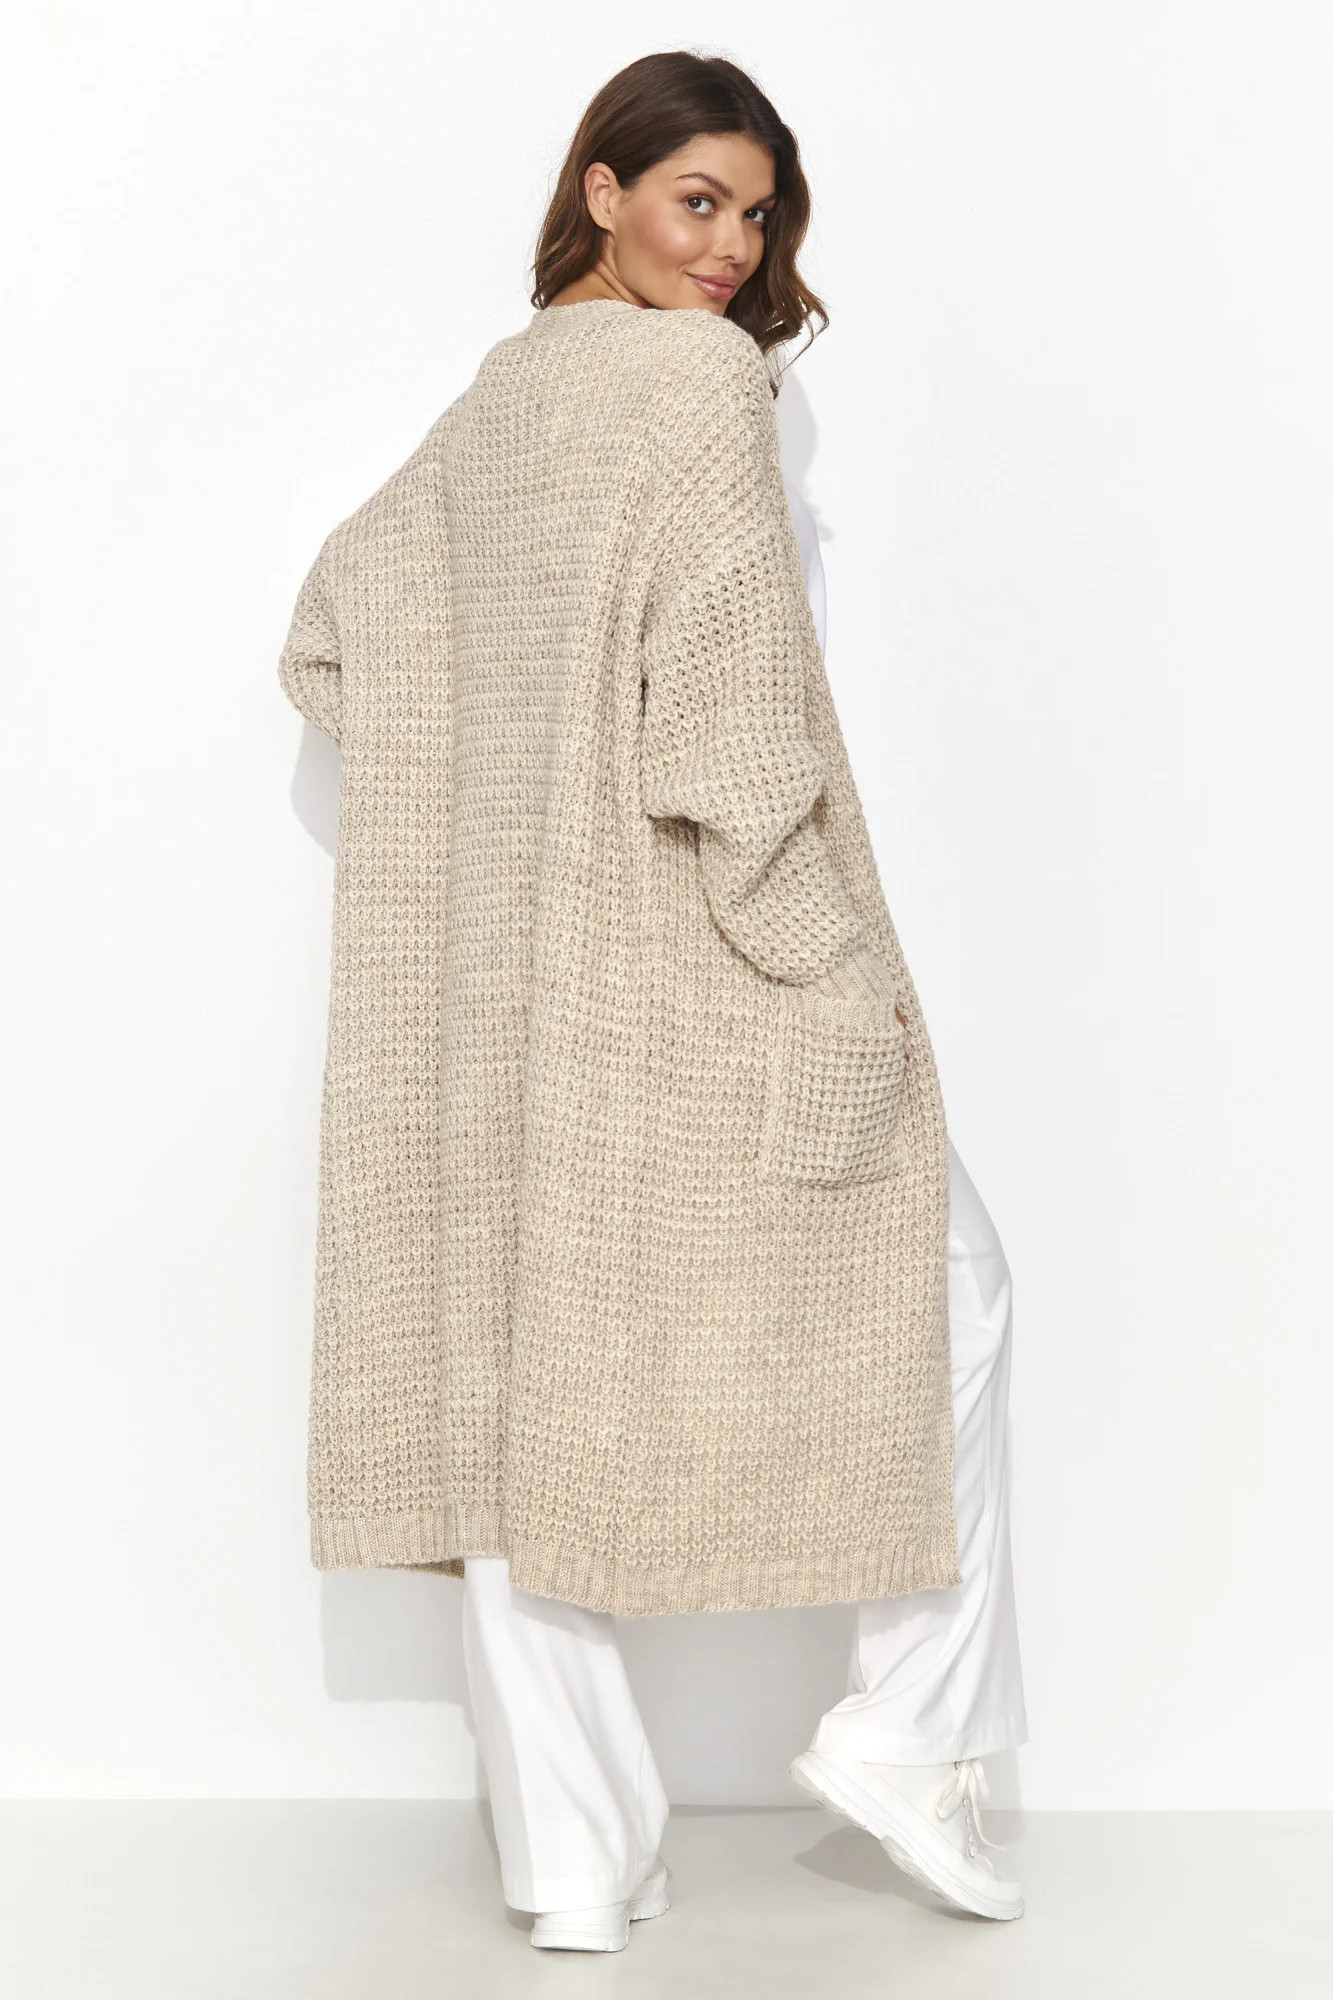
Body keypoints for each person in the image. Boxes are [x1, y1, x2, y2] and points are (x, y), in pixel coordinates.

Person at [277, 51, 1028, 1952]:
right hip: (705, 963)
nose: (733, 247)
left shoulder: (498, 400)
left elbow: (330, 631)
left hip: (515, 1003)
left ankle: (573, 1867)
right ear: (600, 191)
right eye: (698, 199)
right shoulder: (695, 389)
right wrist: (836, 973)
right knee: (954, 1289)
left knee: (519, 1391)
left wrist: (495, 808)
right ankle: (912, 1739)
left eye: (757, 214)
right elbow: (733, 740)